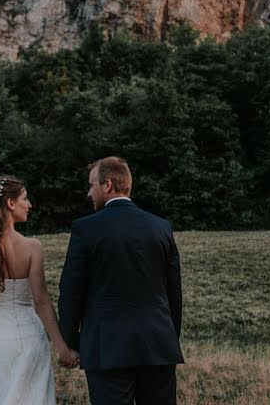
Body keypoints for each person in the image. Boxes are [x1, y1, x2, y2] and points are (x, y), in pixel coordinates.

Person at [58, 157, 184, 405]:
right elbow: (174, 292)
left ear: (107, 185)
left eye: (92, 185)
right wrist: (169, 336)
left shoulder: (85, 229)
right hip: (157, 345)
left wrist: (73, 342)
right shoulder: (160, 227)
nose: (88, 192)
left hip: (107, 349)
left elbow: (71, 291)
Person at [0, 175, 80, 404]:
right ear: (10, 203)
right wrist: (62, 348)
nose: (30, 205)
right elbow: (42, 301)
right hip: (30, 340)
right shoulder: (32, 247)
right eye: (25, 199)